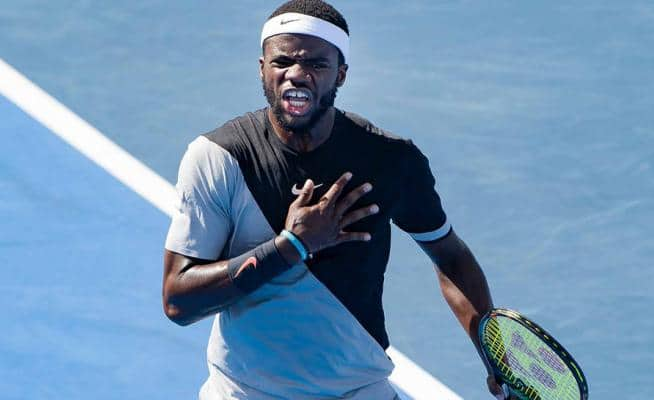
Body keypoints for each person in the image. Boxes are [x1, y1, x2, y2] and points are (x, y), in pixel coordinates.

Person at [162, 0, 506, 399]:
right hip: (243, 391)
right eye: (282, 62)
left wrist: (495, 355)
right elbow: (178, 301)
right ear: (262, 69)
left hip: (357, 390)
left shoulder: (390, 161)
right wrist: (291, 246)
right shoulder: (218, 158)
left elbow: (450, 256)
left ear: (341, 74)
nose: (296, 75)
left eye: (316, 65)